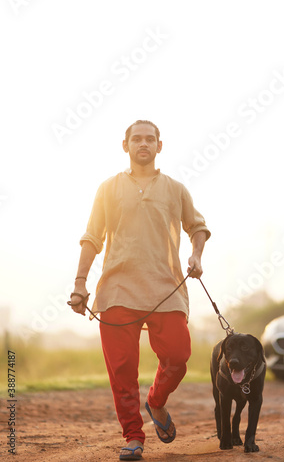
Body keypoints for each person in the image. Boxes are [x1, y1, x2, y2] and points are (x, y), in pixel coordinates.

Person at [70, 120, 210, 461]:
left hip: (167, 289)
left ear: (159, 146)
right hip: (117, 291)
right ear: (125, 145)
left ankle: (156, 401)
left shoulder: (176, 189)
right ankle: (133, 436)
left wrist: (196, 254)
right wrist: (79, 284)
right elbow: (92, 238)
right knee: (121, 371)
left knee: (178, 357)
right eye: (137, 139)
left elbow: (199, 227)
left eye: (150, 139)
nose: (143, 143)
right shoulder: (107, 189)